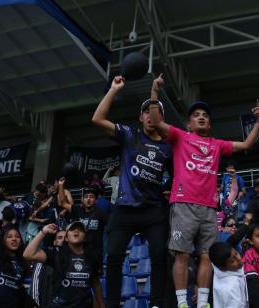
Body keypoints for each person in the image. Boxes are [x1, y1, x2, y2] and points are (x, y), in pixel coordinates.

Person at [149, 74, 259, 308]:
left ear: (209, 124)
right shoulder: (180, 137)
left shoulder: (217, 144)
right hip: (183, 204)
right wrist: (154, 92)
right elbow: (156, 121)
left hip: (209, 208)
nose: (201, 118)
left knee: (205, 255)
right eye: (195, 116)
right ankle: (182, 303)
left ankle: (202, 303)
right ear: (189, 124)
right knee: (181, 255)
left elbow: (246, 145)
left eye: (205, 116)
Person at [92, 74, 172, 308]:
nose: (149, 115)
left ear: (161, 118)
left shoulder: (168, 147)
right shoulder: (130, 135)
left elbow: (178, 176)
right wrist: (114, 90)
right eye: (145, 111)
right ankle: (113, 304)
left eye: (154, 110)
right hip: (125, 209)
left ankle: (157, 304)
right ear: (140, 117)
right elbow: (97, 119)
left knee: (159, 256)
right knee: (114, 257)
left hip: (153, 211)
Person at [23, 222, 105, 308]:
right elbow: (28, 254)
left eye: (81, 230)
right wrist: (43, 231)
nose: (76, 231)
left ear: (85, 238)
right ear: (66, 238)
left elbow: (96, 284)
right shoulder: (56, 253)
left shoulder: (92, 257)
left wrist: (102, 306)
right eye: (72, 229)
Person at [57, 180, 108, 266]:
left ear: (96, 200)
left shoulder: (101, 213)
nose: (88, 199)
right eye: (86, 197)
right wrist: (61, 185)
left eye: (91, 197)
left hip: (95, 253)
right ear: (82, 200)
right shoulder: (77, 210)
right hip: (77, 251)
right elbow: (63, 203)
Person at [30, 229, 66, 308]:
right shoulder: (44, 258)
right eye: (59, 237)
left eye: (65, 237)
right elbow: (35, 286)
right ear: (54, 242)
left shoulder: (73, 260)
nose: (63, 240)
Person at [209, 241, 249, 308]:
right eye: (232, 261)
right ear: (222, 268)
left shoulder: (219, 269)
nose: (238, 259)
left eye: (236, 253)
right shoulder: (231, 287)